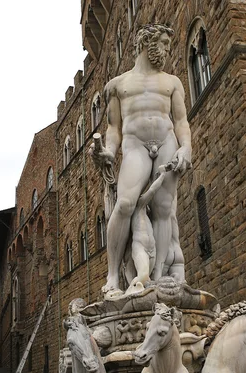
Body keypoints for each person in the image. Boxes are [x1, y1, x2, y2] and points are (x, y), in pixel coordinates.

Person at [91, 24, 192, 297]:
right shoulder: (117, 85)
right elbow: (114, 129)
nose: (168, 49)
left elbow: (181, 121)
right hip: (134, 145)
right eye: (164, 42)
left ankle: (157, 277)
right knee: (124, 204)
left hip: (167, 142)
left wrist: (186, 148)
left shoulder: (172, 82)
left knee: (163, 209)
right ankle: (112, 276)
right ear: (147, 42)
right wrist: (109, 151)